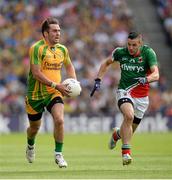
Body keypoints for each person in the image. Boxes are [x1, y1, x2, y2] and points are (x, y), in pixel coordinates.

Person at [90, 31, 159, 165]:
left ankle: (117, 135)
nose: (131, 48)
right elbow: (106, 63)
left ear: (140, 44)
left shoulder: (148, 53)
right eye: (129, 45)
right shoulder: (120, 52)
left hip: (142, 97)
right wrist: (98, 79)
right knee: (129, 116)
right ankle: (126, 153)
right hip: (124, 91)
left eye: (134, 45)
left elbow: (156, 74)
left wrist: (146, 79)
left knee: (129, 130)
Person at [25, 17, 77, 168]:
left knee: (59, 120)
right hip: (35, 95)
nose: (58, 33)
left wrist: (73, 82)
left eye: (59, 30)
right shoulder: (36, 48)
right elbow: (36, 73)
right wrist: (57, 84)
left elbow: (69, 66)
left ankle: (58, 154)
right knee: (34, 128)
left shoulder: (62, 49)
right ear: (45, 33)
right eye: (54, 31)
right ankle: (30, 145)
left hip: (54, 93)